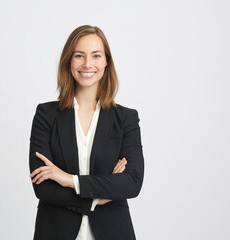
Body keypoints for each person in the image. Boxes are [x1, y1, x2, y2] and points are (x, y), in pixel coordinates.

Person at [29, 25, 144, 240]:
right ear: (68, 61)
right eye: (79, 55)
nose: (87, 64)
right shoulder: (46, 115)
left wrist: (69, 180)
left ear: (106, 62)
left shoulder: (126, 119)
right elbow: (43, 187)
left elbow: (132, 182)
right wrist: (102, 194)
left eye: (96, 56)